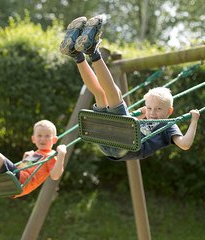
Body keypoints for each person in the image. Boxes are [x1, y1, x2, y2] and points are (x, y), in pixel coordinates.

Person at [60, 15, 200, 161]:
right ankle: (77, 55)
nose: (152, 113)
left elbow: (185, 144)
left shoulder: (169, 125)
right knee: (100, 94)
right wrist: (142, 112)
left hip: (123, 144)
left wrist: (194, 120)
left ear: (169, 111)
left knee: (116, 95)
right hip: (106, 139)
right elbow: (132, 118)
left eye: (158, 109)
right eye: (150, 108)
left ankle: (92, 52)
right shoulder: (143, 118)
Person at [0, 120, 67, 209]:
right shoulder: (36, 154)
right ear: (33, 139)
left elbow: (55, 176)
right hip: (17, 178)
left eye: (47, 136)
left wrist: (61, 154)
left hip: (20, 183)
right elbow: (22, 169)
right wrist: (25, 159)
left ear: (54, 140)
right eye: (39, 135)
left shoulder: (51, 155)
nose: (42, 139)